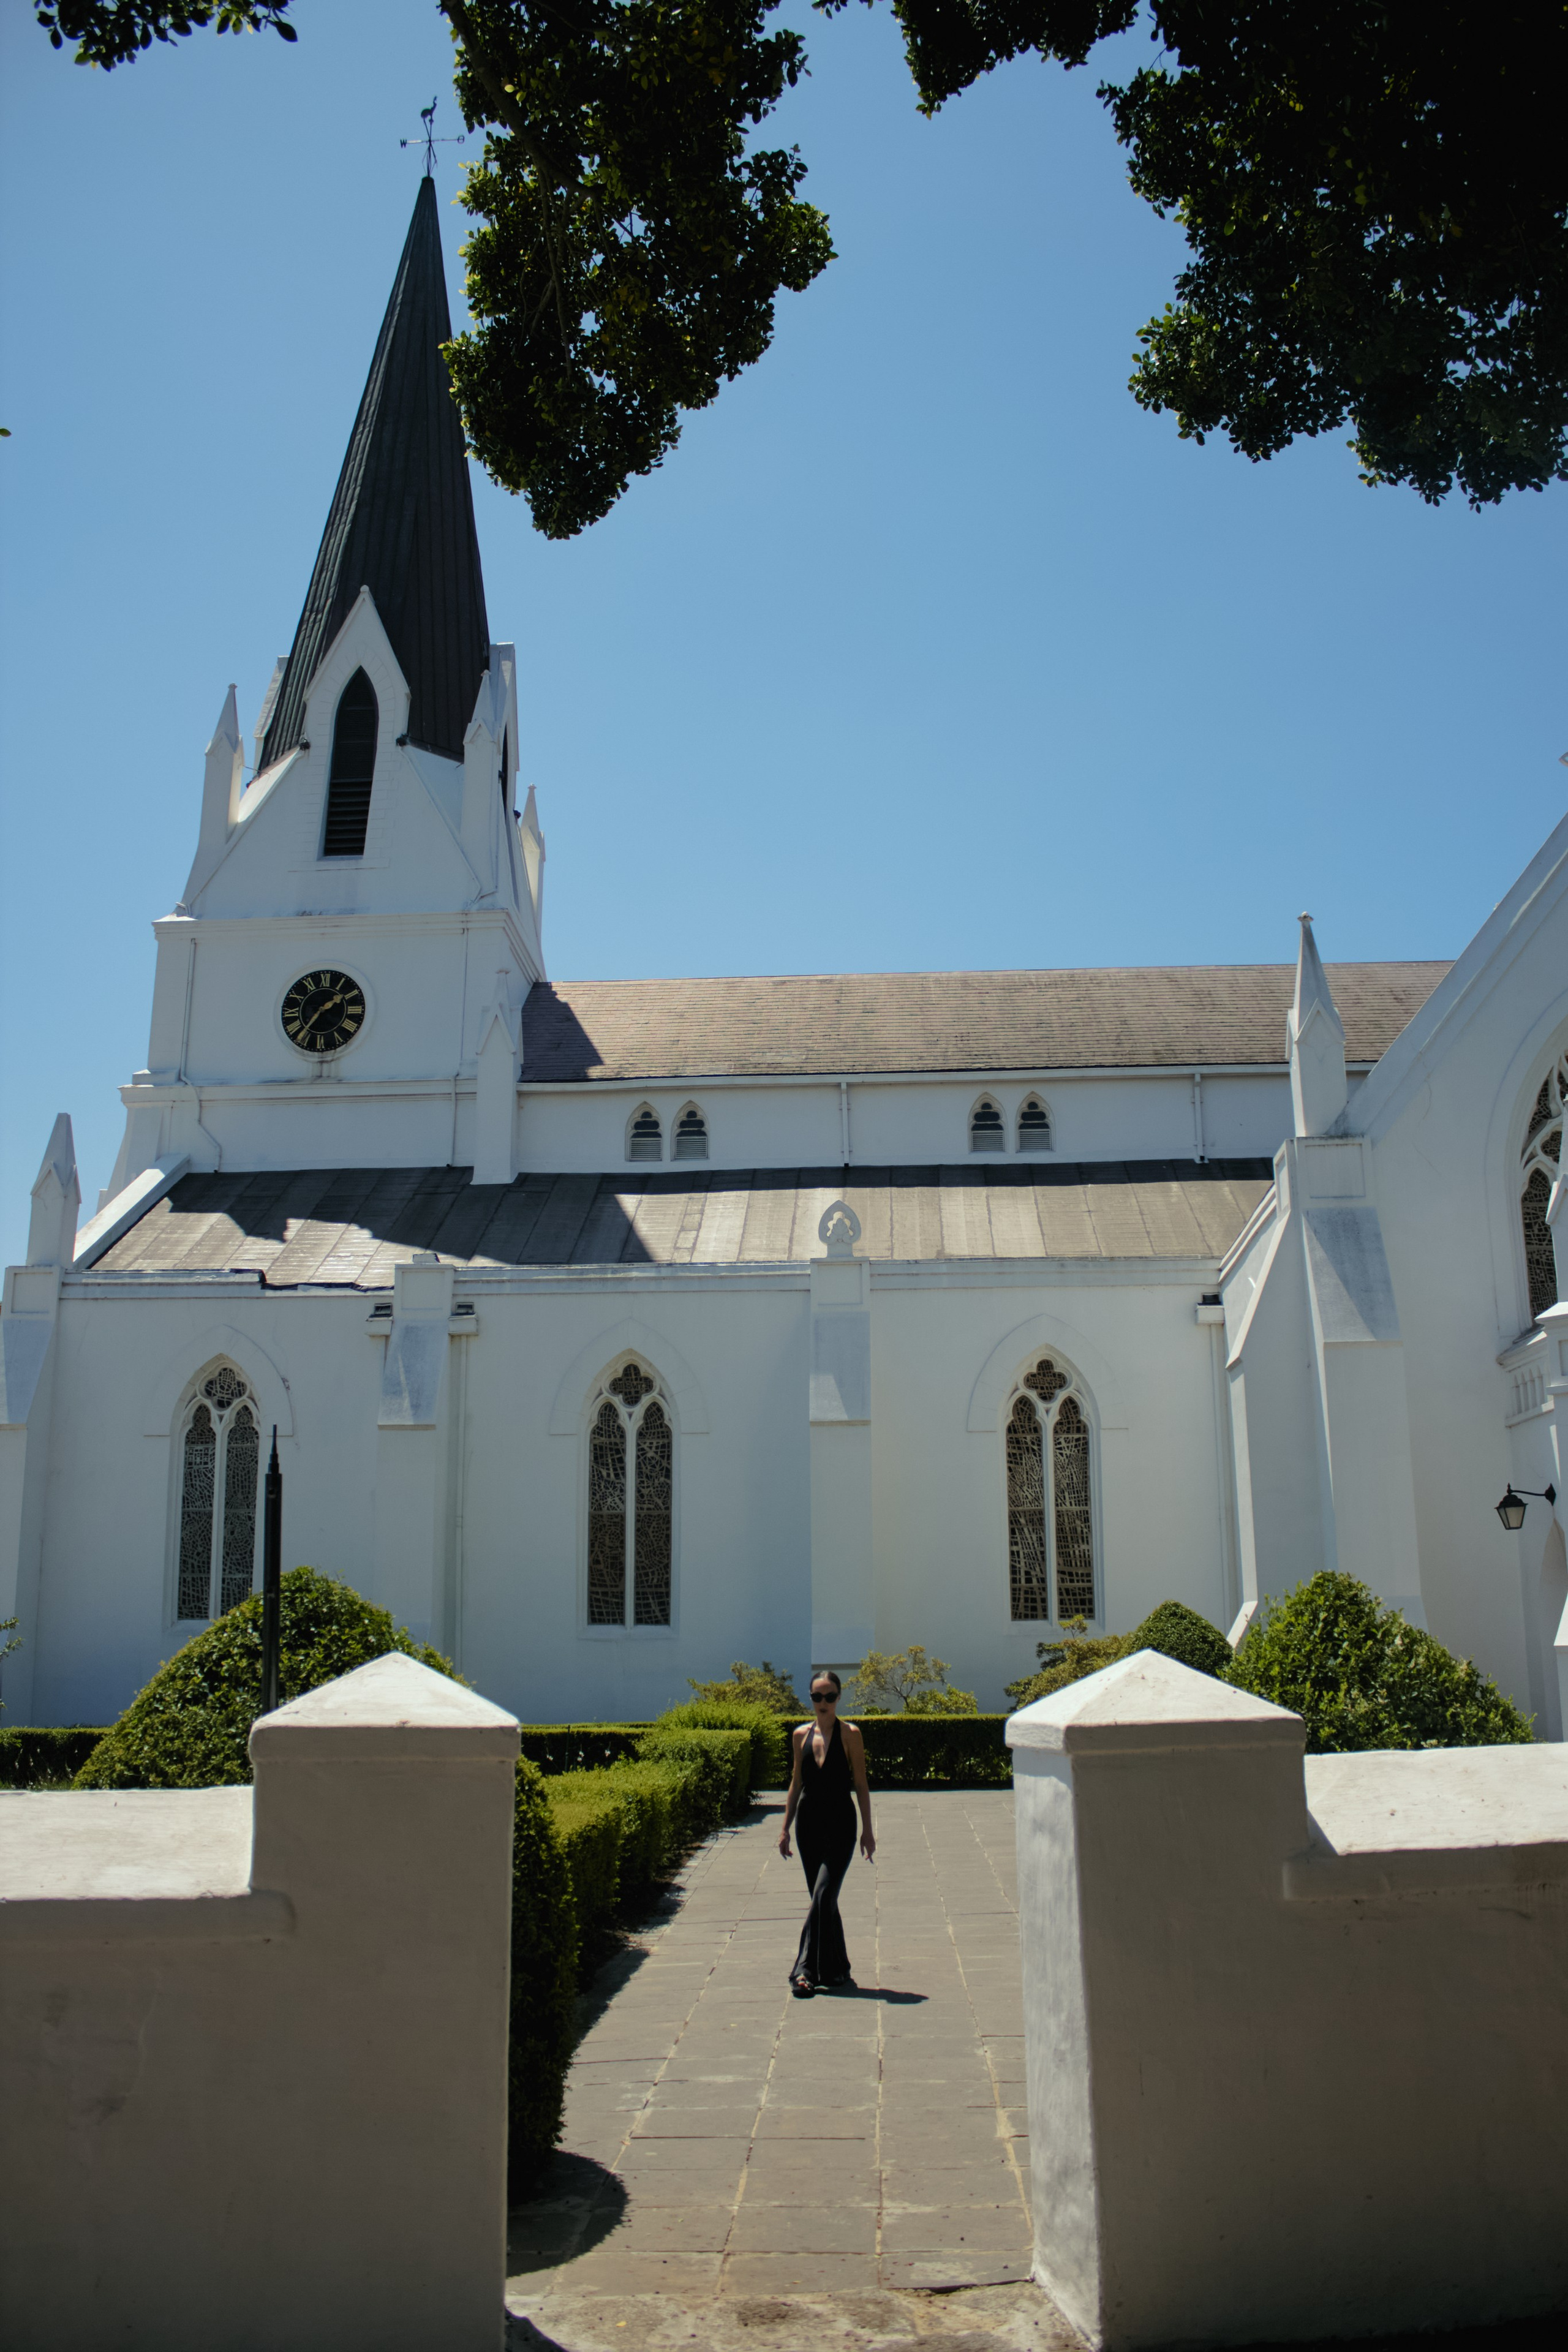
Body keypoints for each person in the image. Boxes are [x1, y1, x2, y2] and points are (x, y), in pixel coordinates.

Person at [778, 1671, 875, 1996]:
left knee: (823, 1895)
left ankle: (803, 1971)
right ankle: (836, 1969)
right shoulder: (799, 1736)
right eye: (817, 1697)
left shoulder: (851, 1735)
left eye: (830, 1696)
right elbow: (796, 1783)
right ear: (810, 1699)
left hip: (841, 1825)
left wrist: (868, 1831)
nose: (823, 1703)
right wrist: (785, 1829)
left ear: (839, 1698)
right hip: (808, 1826)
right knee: (824, 1902)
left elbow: (861, 1784)